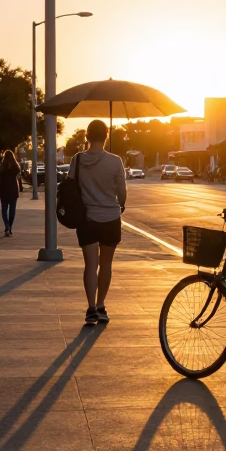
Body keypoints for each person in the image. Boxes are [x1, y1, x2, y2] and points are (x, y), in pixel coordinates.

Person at [68, 118, 126, 326]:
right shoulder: (115, 161)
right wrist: (121, 204)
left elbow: (70, 184)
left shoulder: (77, 159)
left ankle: (91, 308)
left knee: (90, 265)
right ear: (106, 136)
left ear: (87, 136)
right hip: (111, 218)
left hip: (87, 218)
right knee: (106, 265)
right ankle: (101, 305)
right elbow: (121, 190)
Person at [0, 149, 23, 236]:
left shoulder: (1, 167)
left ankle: (6, 224)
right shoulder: (16, 167)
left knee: (4, 209)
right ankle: (9, 226)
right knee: (12, 210)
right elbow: (19, 174)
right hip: (13, 190)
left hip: (4, 189)